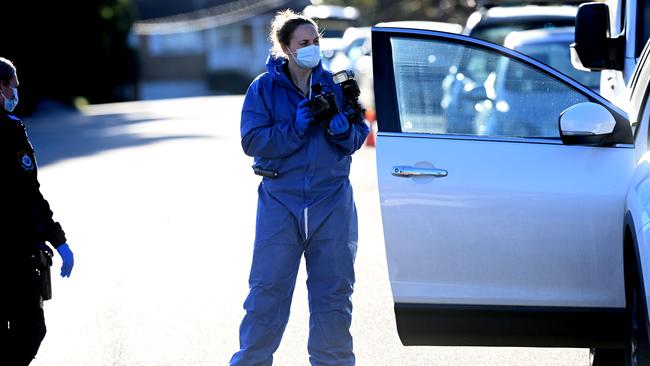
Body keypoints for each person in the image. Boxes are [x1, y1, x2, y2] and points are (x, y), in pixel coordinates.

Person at [230, 9, 369, 366]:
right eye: (304, 43)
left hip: (332, 200)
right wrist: (294, 126)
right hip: (280, 202)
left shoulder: (336, 85)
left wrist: (345, 133)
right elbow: (252, 141)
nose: (312, 48)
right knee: (267, 293)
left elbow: (358, 134)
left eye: (315, 41)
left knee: (334, 296)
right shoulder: (263, 89)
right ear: (285, 49)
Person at [0, 57, 75, 365]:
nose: (16, 93)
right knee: (30, 329)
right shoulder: (9, 131)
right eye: (13, 86)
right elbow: (28, 194)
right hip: (11, 252)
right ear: (0, 86)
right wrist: (59, 240)